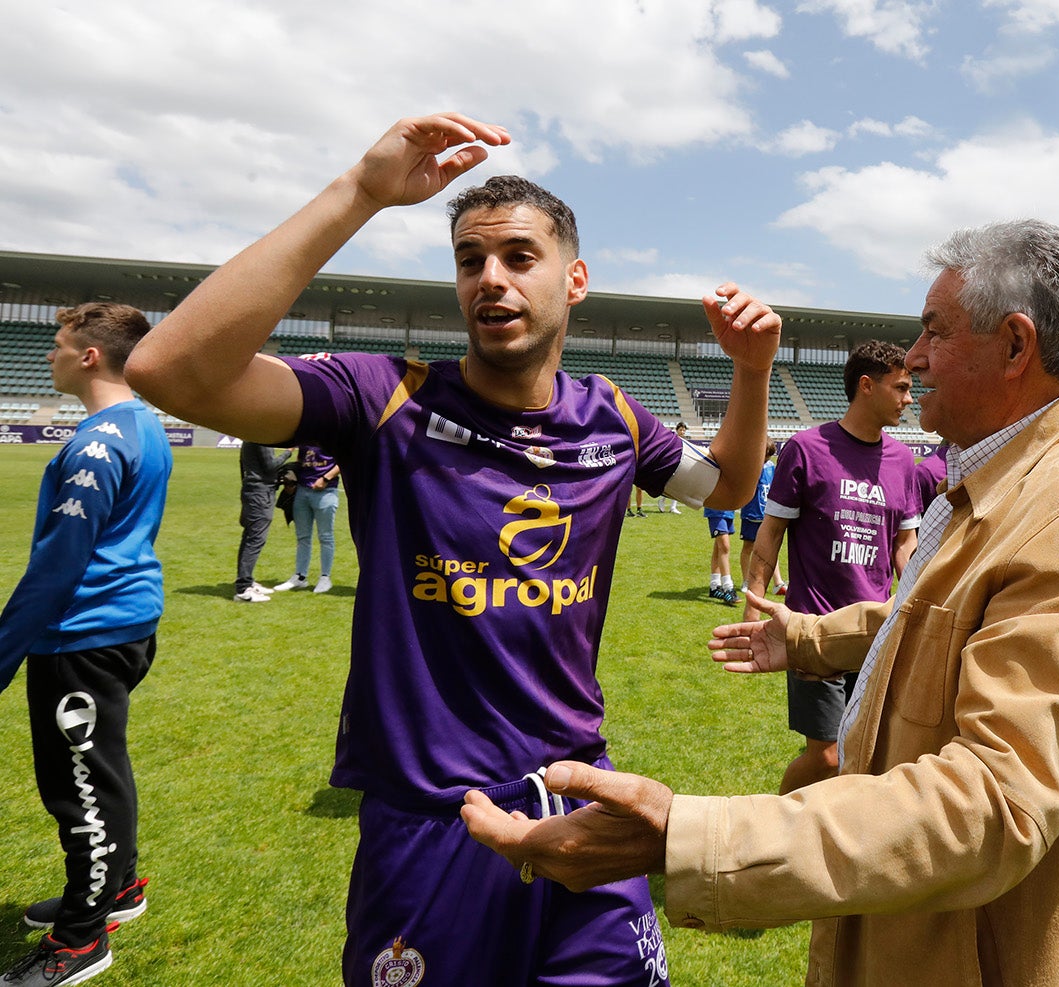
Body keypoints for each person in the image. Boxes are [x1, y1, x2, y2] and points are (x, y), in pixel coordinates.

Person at [124, 112, 780, 987]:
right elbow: (170, 370)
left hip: (580, 792)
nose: (490, 279)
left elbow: (729, 488)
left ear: (574, 278)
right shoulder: (382, 397)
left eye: (517, 256)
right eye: (470, 261)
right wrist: (361, 192)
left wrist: (751, 370)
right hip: (433, 819)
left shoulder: (613, 416)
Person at [462, 219, 1059, 987]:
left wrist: (687, 836)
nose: (914, 358)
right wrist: (817, 637)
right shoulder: (1017, 476)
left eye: (933, 331)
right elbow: (957, 616)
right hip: (939, 936)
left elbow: (995, 801)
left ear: (1016, 346)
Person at [0, 303, 172, 987]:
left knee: (81, 788)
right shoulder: (143, 423)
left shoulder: (98, 443)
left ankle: (80, 941)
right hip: (122, 625)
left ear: (91, 355)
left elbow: (57, 566)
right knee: (100, 767)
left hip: (83, 634)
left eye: (58, 343)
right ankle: (116, 890)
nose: (50, 354)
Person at [742, 341, 926, 794]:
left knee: (868, 752)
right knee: (826, 755)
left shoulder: (904, 461)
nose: (909, 398)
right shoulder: (806, 449)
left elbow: (905, 544)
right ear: (867, 386)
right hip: (813, 628)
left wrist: (922, 602)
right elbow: (771, 532)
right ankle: (774, 825)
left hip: (874, 630)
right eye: (900, 387)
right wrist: (754, 602)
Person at [274, 444, 341, 594]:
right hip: (302, 491)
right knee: (302, 536)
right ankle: (300, 576)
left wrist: (325, 478)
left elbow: (343, 462)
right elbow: (300, 460)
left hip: (326, 491)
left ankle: (325, 577)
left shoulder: (333, 434)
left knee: (325, 536)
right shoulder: (304, 435)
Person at [234, 441, 293, 602]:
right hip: (260, 493)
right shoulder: (260, 439)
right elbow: (270, 466)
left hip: (252, 490)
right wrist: (288, 452)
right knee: (255, 539)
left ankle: (246, 580)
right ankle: (243, 588)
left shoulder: (248, 438)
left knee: (249, 537)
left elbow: (242, 466)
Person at [737, 439, 782, 598]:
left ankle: (778, 583)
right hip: (751, 513)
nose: (766, 460)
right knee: (748, 547)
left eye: (769, 457)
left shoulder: (771, 467)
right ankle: (746, 581)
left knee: (770, 547)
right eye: (764, 456)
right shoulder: (750, 467)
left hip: (767, 514)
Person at [704, 507, 738, 604]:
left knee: (718, 547)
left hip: (728, 510)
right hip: (716, 509)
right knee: (724, 546)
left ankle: (714, 587)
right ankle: (728, 588)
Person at [659, 423, 688, 513]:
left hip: (680, 465)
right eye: (681, 430)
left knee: (677, 486)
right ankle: (662, 500)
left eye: (684, 430)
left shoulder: (685, 442)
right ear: (677, 430)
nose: (682, 432)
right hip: (672, 464)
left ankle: (673, 507)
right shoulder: (673, 439)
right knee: (669, 485)